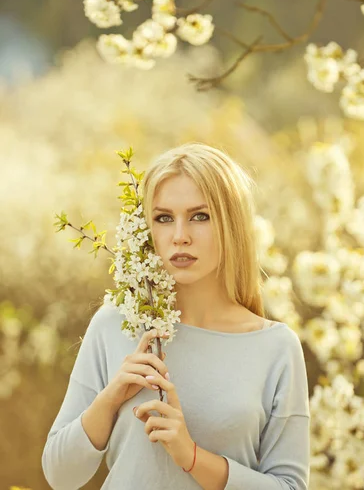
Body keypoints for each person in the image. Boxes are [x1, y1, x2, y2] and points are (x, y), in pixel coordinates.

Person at [42, 142, 310, 490]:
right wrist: (110, 399)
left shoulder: (275, 347)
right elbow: (59, 476)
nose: (180, 237)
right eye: (164, 218)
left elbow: (290, 486)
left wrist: (192, 457)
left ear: (231, 224)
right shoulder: (114, 323)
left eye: (200, 216)